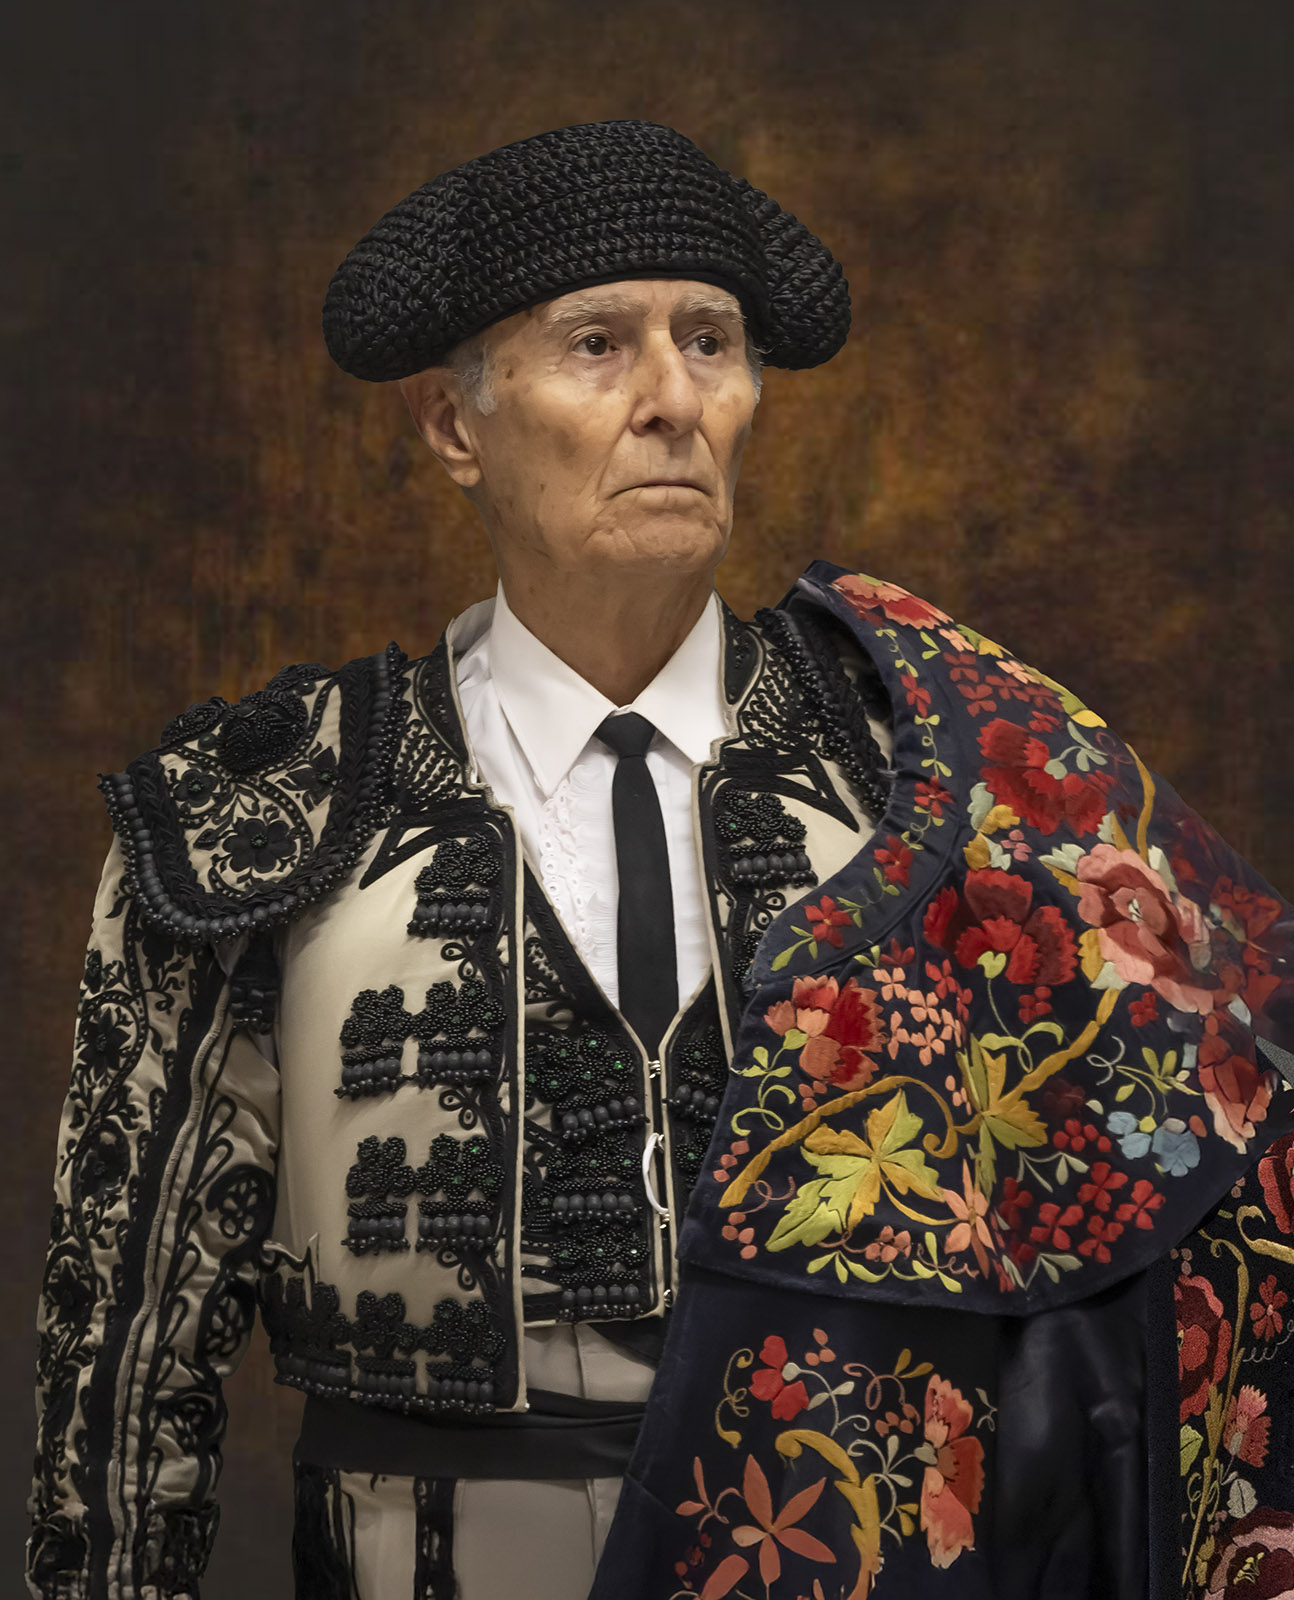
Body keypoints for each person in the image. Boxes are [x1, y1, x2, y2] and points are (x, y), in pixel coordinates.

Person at [26, 119, 1294, 1600]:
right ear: (452, 426)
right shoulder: (270, 805)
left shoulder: (924, 772)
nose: (673, 401)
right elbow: (123, 1372)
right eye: (596, 345)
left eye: (709, 342)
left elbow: (1191, 1155)